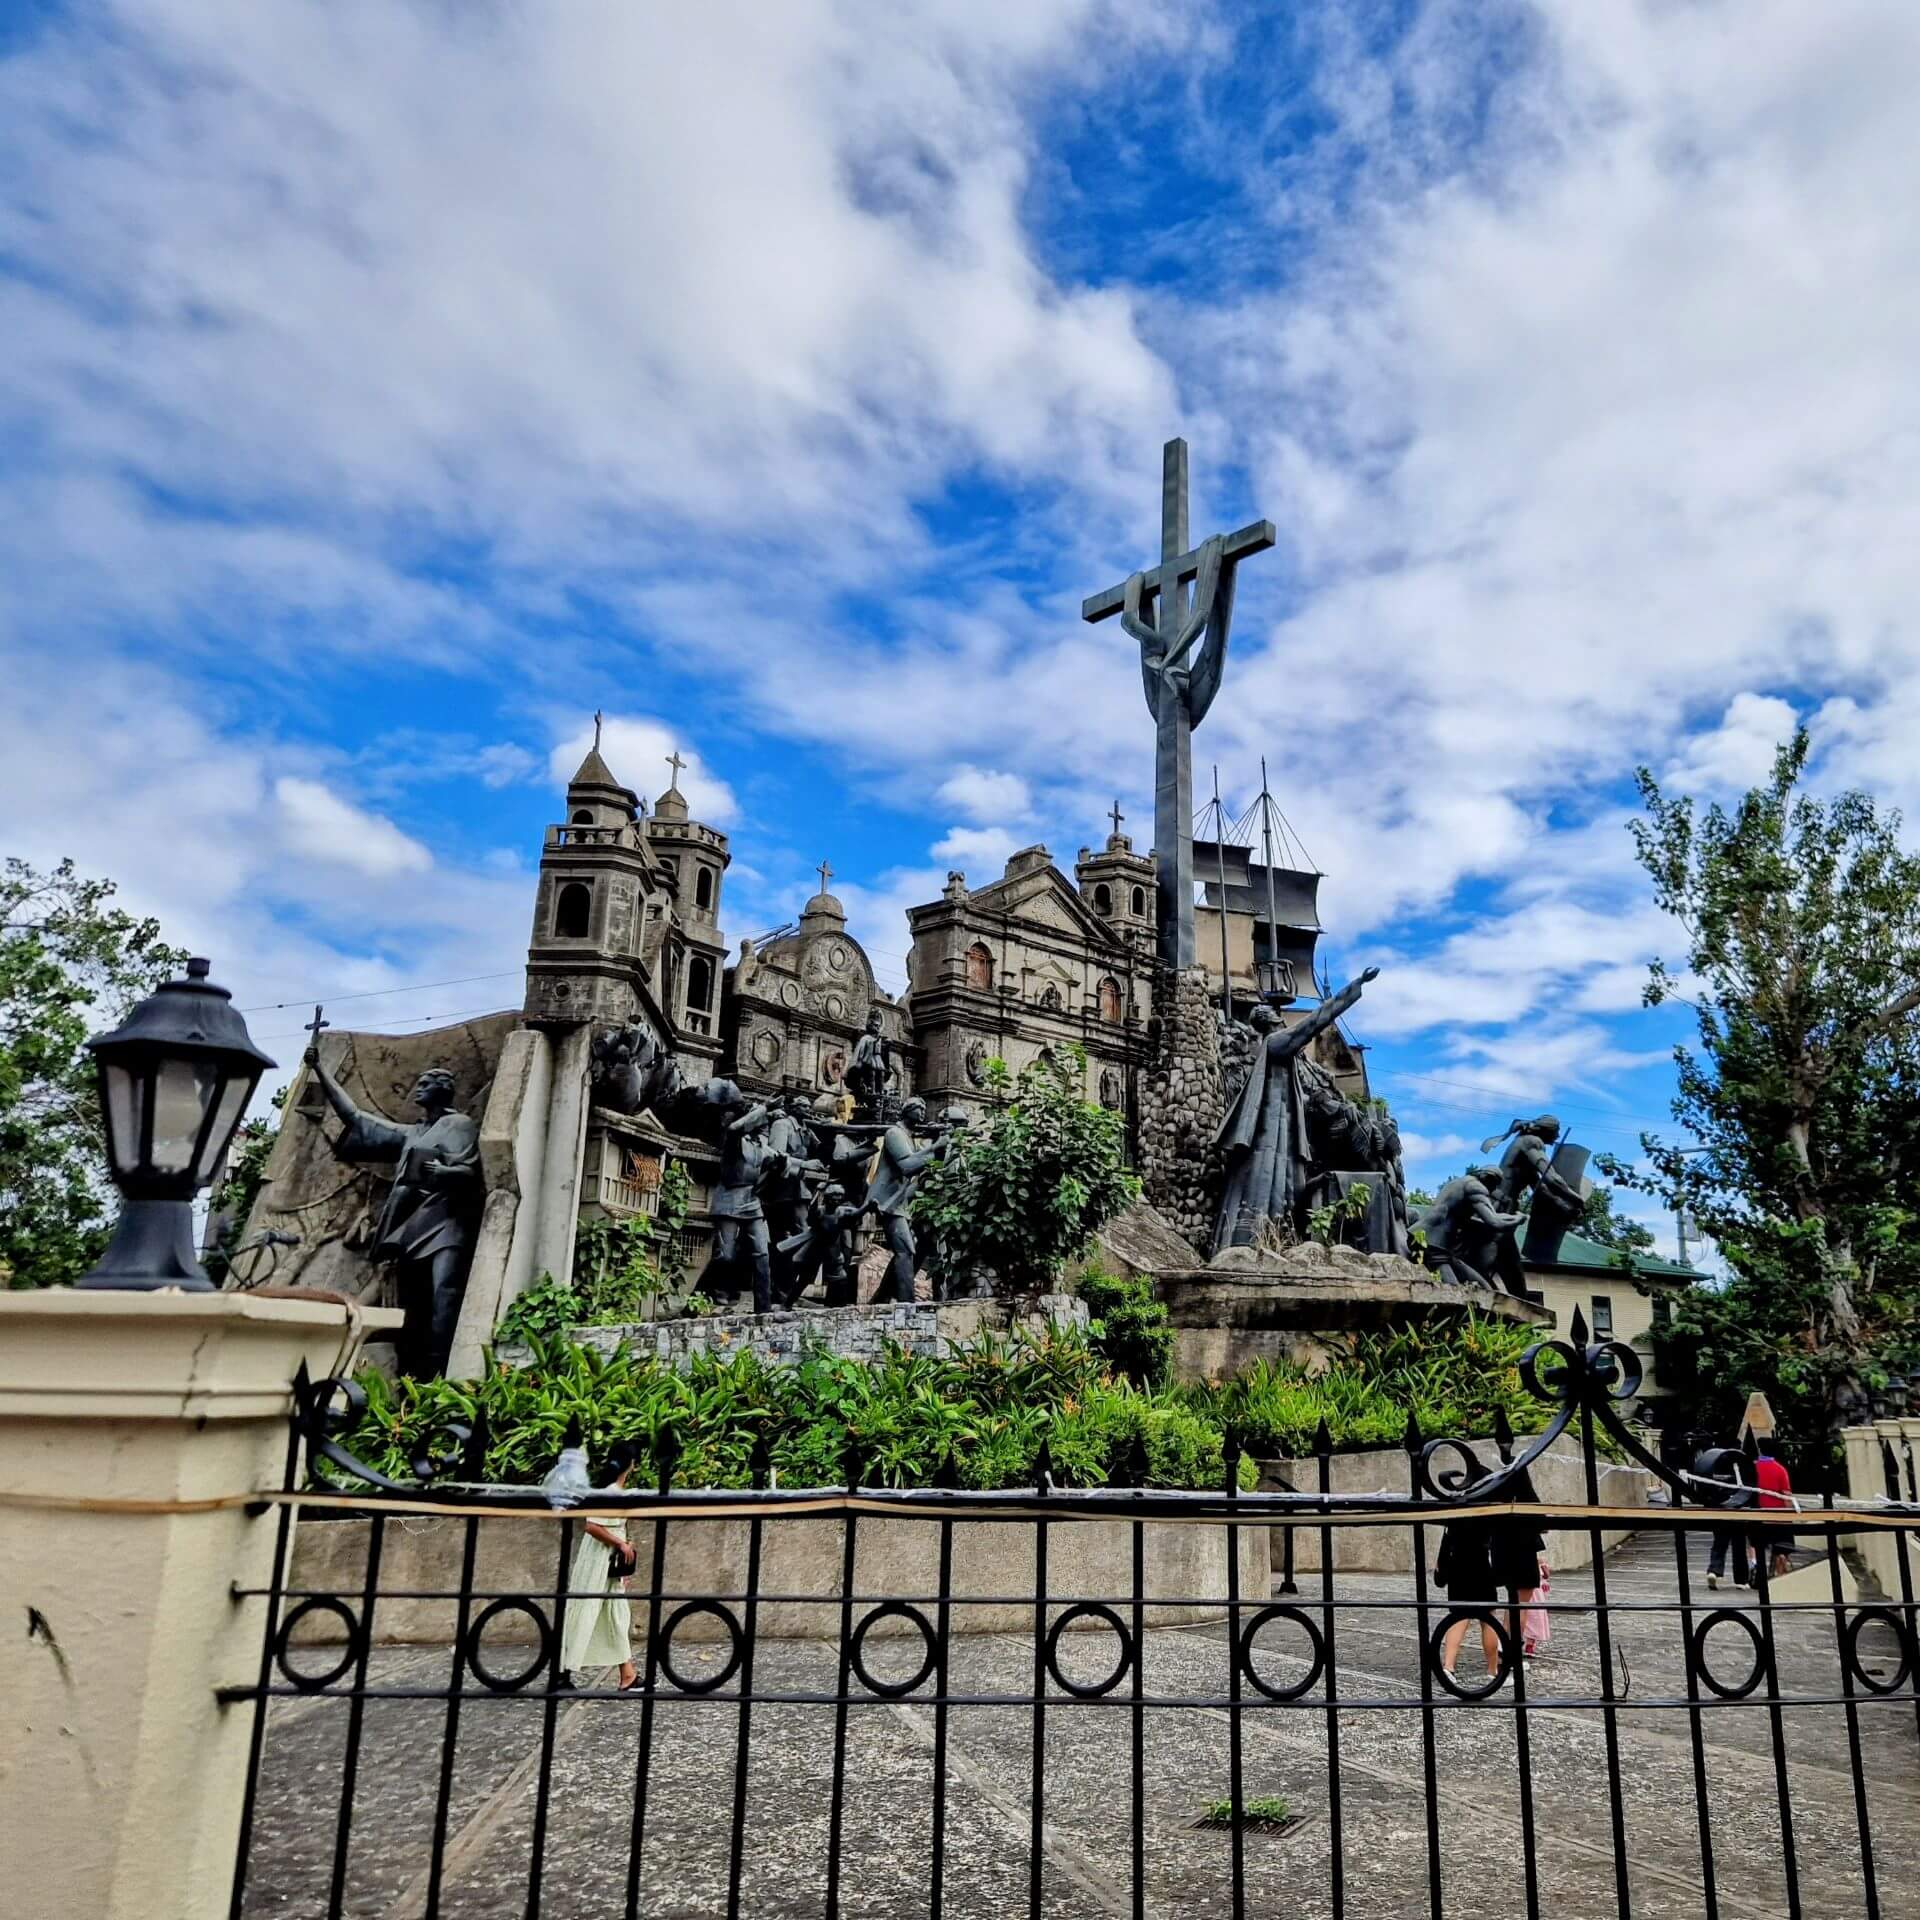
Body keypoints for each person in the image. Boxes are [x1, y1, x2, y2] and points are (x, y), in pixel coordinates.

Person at [305, 1049, 483, 1378]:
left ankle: (446, 1374)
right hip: (413, 1225)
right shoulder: (411, 1133)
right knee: (411, 1306)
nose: (419, 1086)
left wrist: (443, 1173)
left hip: (446, 1220)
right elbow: (356, 1118)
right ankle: (412, 1377)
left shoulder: (459, 1124)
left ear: (444, 1089)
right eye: (420, 1081)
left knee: (445, 1295)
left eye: (427, 1082)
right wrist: (320, 1070)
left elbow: (471, 1173)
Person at [1212, 969, 1379, 1252]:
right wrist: (1355, 987)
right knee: (1266, 1189)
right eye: (1276, 1014)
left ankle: (1275, 1241)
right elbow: (1314, 1022)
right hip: (1271, 1134)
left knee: (1283, 1189)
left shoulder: (1277, 1049)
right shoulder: (1277, 1043)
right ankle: (1255, 1243)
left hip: (1282, 1132)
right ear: (1273, 1020)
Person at [558, 1440, 641, 1691]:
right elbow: (591, 1525)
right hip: (599, 1559)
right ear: (632, 1464)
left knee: (612, 1614)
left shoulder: (613, 1491)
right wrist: (622, 1545)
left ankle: (627, 1674)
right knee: (596, 1612)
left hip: (607, 1561)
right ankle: (626, 1675)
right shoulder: (610, 1492)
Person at [865, 1097, 938, 1304]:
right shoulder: (894, 1133)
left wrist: (933, 1143)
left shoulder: (909, 1136)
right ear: (907, 1111)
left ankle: (880, 1299)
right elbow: (907, 1166)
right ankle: (907, 1305)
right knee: (905, 1250)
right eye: (919, 1108)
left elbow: (920, 1159)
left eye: (924, 1108)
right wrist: (936, 1148)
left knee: (907, 1250)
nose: (923, 1112)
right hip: (887, 1201)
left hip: (899, 1201)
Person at [1490, 1465, 1547, 1660]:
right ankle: (1511, 1649)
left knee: (1512, 1602)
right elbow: (1541, 1526)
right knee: (1521, 1606)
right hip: (1524, 1556)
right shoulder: (1527, 1499)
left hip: (1502, 1556)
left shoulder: (1498, 1498)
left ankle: (1503, 1644)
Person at [1754, 1448, 1797, 1578]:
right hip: (1778, 1515)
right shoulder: (1780, 1469)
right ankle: (1780, 1575)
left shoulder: (1753, 1468)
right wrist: (1790, 1516)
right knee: (1781, 1548)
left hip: (1758, 1514)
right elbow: (1786, 1494)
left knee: (1756, 1545)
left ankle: (1755, 1569)